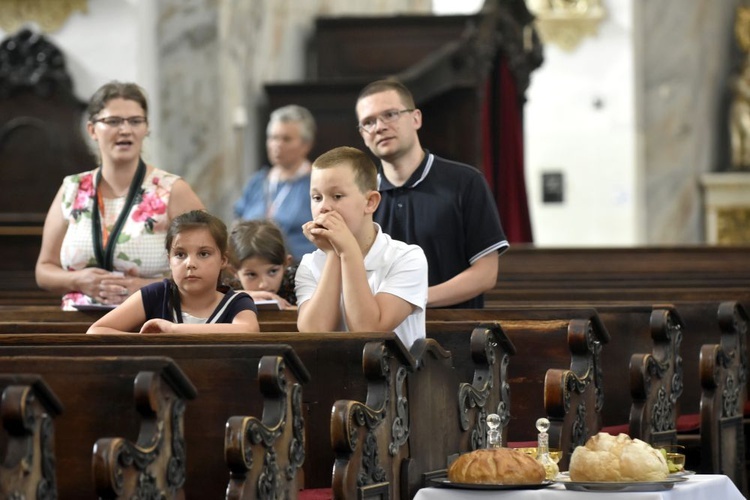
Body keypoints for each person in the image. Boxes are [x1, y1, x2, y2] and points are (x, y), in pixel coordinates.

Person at [35, 81, 205, 310]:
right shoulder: (72, 189)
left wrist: (149, 286)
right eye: (113, 121)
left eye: (135, 121)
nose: (125, 130)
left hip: (151, 319)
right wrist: (77, 280)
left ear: (146, 128)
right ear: (92, 130)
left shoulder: (171, 189)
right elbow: (44, 270)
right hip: (78, 325)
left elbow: (208, 264)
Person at [355, 79, 509, 309]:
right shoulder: (362, 198)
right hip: (381, 335)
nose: (379, 127)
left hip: (455, 332)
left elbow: (486, 274)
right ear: (363, 134)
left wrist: (414, 299)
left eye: (390, 114)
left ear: (416, 118)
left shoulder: (465, 182)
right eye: (369, 122)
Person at [295, 146, 428, 349]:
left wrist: (348, 251)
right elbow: (315, 334)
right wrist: (333, 254)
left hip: (396, 378)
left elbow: (368, 331)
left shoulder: (407, 258)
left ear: (370, 202)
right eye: (317, 197)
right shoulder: (310, 264)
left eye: (337, 196)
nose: (324, 207)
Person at [87, 210, 260, 334]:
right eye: (180, 254)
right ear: (169, 260)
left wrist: (173, 329)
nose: (190, 264)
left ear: (223, 260)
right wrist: (148, 345)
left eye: (203, 254)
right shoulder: (157, 294)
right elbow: (96, 330)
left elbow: (248, 329)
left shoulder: (237, 302)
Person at [234, 104, 317, 262]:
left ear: (306, 145)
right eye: (273, 137)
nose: (277, 145)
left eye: (286, 139)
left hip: (300, 271)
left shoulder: (316, 183)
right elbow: (237, 226)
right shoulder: (257, 182)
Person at [229, 219, 297, 309]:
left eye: (273, 271)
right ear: (234, 271)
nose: (263, 285)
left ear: (286, 264)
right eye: (251, 274)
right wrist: (243, 296)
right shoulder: (227, 292)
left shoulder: (298, 282)